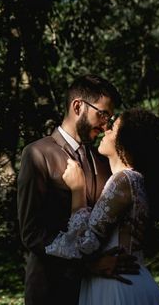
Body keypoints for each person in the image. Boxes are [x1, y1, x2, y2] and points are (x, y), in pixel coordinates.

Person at [17, 74, 138, 305]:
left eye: (109, 118)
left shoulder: (101, 157)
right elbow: (32, 233)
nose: (105, 125)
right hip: (52, 290)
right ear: (78, 106)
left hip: (98, 290)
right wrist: (88, 265)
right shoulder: (37, 154)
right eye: (102, 114)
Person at [45, 108, 159, 304]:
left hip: (116, 288)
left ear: (126, 143)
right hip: (131, 281)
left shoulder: (124, 180)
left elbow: (84, 244)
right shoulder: (136, 181)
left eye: (114, 129)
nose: (106, 131)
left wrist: (77, 190)